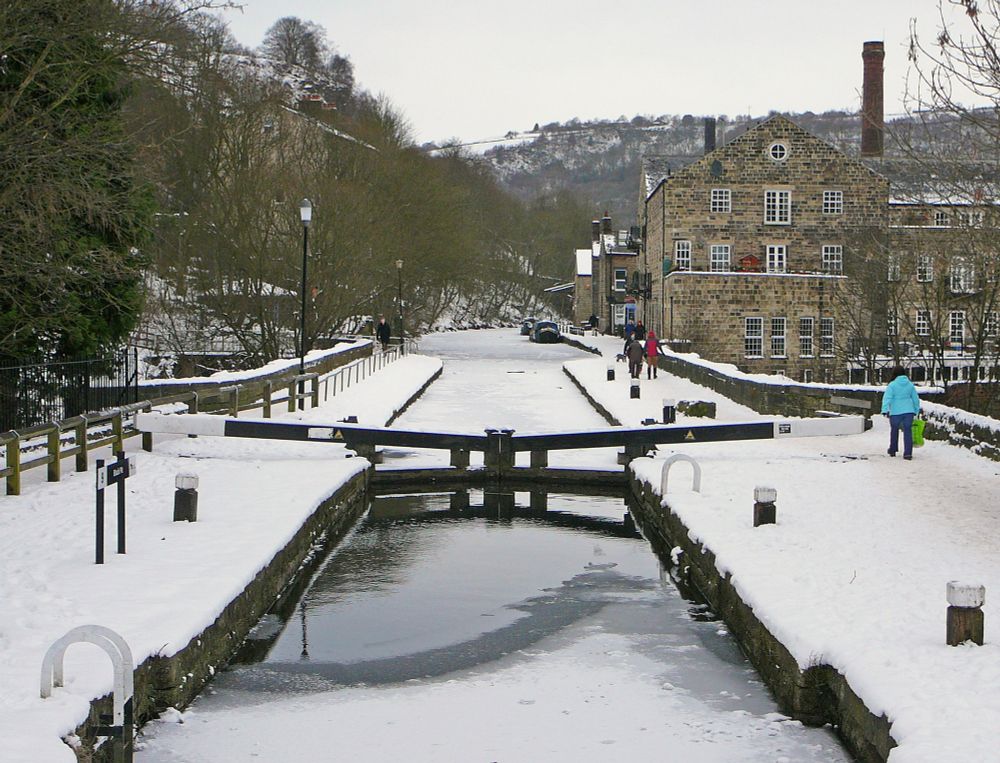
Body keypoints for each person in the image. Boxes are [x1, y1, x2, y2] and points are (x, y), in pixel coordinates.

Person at [880, 366, 920, 460]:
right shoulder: (910, 385)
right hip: (909, 411)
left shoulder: (892, 385)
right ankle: (908, 453)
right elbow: (915, 399)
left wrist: (884, 409)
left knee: (894, 430)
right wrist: (916, 410)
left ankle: (893, 449)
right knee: (908, 431)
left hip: (895, 411)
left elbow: (887, 398)